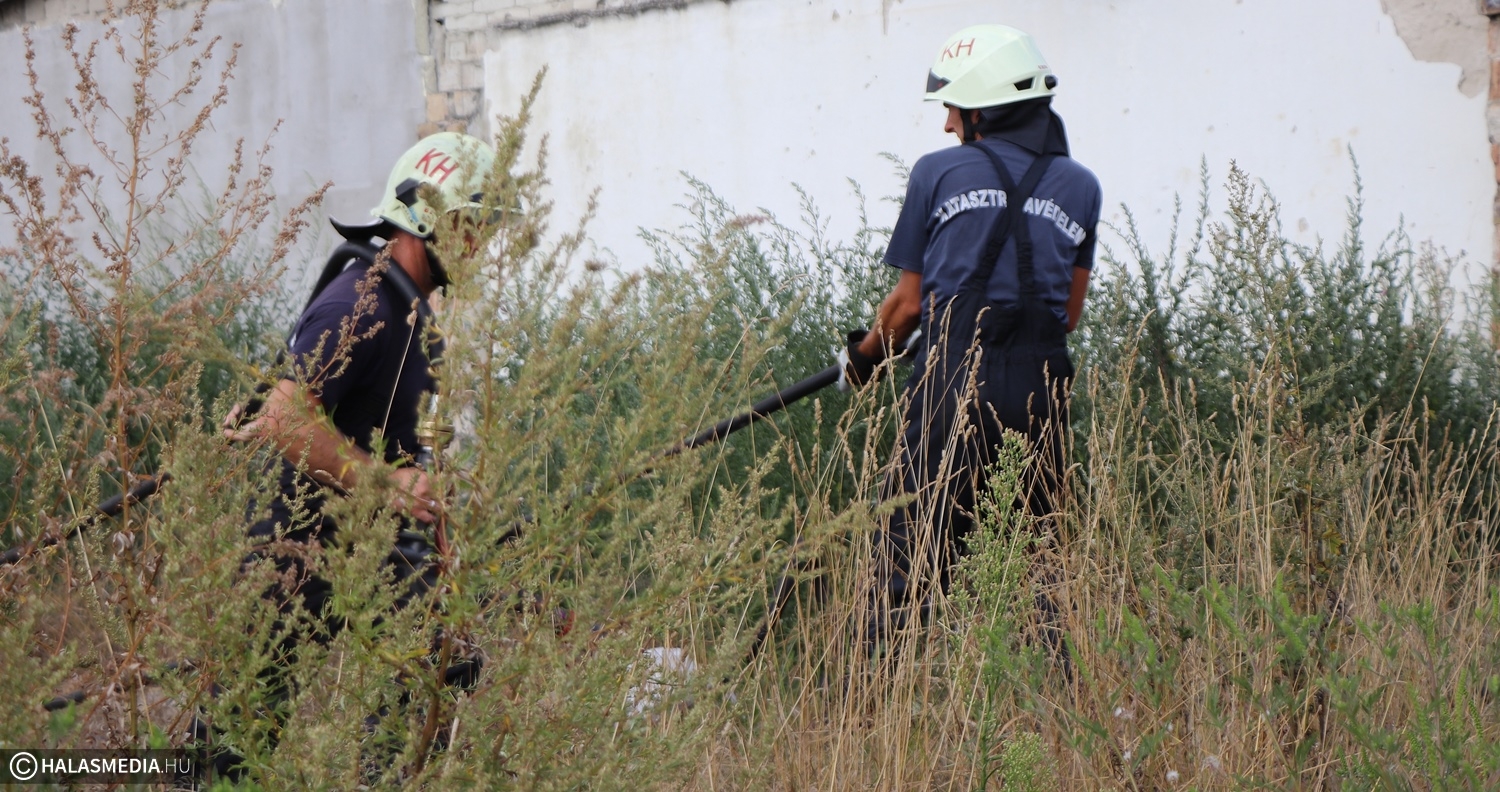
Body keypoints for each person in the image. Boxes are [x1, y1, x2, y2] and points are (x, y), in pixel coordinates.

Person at [204, 131, 499, 776]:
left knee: (445, 661)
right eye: (470, 226)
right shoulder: (358, 304)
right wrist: (388, 484)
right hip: (297, 550)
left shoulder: (412, 314)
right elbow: (283, 419)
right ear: (424, 219)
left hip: (367, 549)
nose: (481, 244)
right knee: (236, 740)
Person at [838, 25, 1100, 644]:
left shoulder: (937, 172)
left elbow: (906, 307)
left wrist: (864, 358)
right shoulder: (1081, 185)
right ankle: (1050, 693)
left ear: (983, 107)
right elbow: (1068, 315)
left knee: (904, 563)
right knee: (1039, 571)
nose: (947, 123)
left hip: (952, 386)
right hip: (1040, 393)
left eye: (953, 107)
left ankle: (878, 691)